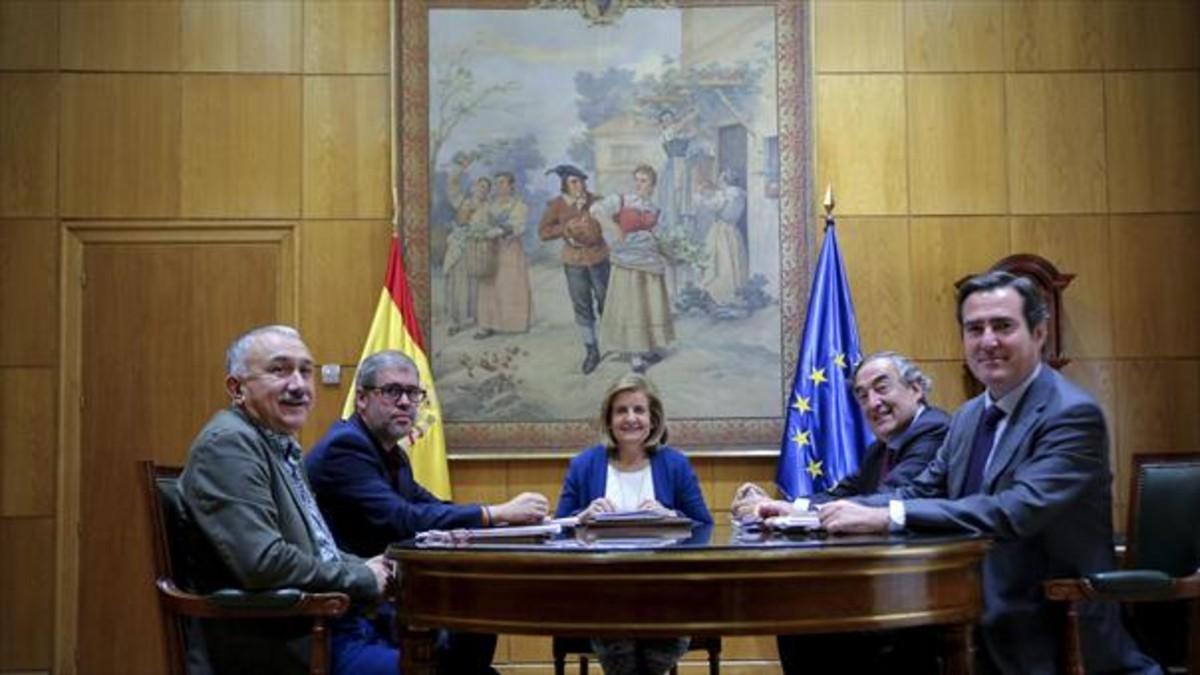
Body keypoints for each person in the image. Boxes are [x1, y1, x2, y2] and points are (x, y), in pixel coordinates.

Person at [784, 272, 1161, 675]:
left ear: (1038, 333)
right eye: (974, 329)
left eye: (1003, 326)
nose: (988, 341)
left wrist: (886, 516)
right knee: (809, 626)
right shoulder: (967, 417)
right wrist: (816, 515)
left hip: (1045, 616)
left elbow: (1014, 511)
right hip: (967, 600)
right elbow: (921, 489)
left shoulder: (1071, 414)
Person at [306, 349, 549, 674]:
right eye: (392, 391)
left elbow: (431, 506)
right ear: (361, 399)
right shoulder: (346, 447)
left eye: (413, 393)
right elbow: (402, 518)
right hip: (348, 610)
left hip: (386, 599)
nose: (406, 402)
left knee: (475, 624)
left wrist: (506, 522)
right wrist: (495, 511)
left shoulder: (392, 454)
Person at [180, 325, 397, 675]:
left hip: (329, 620)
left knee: (462, 642)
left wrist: (370, 566)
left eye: (305, 371)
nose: (298, 385)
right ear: (236, 388)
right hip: (287, 639)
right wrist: (361, 577)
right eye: (279, 370)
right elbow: (264, 562)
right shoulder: (228, 446)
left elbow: (316, 546)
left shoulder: (277, 443)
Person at [730, 351, 950, 674]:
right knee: (798, 619)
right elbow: (844, 493)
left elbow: (891, 498)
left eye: (881, 388)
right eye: (862, 396)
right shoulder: (882, 447)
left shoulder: (932, 432)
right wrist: (783, 506)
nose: (872, 403)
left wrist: (795, 510)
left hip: (922, 589)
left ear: (916, 389)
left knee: (808, 627)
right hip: (892, 581)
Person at [555, 373, 711, 675]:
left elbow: (704, 526)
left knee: (658, 645)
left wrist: (672, 517)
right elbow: (557, 530)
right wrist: (580, 518)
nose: (630, 418)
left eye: (639, 410)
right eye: (621, 410)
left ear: (653, 419)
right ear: (609, 419)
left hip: (666, 589)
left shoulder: (675, 464)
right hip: (604, 589)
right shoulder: (584, 465)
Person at [591, 164, 675, 374]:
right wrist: (613, 227)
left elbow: (658, 234)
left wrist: (672, 253)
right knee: (633, 306)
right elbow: (596, 210)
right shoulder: (623, 200)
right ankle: (635, 353)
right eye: (636, 180)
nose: (638, 184)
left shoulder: (654, 208)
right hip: (628, 261)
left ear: (652, 185)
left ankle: (648, 347)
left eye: (643, 181)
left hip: (650, 261)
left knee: (650, 305)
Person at [538, 164, 609, 374]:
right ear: (565, 185)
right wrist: (566, 228)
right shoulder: (557, 206)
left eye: (582, 181)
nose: (580, 186)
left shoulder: (596, 201)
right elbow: (543, 232)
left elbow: (612, 222)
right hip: (574, 261)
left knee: (606, 300)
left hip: (598, 257)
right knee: (582, 305)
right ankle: (591, 350)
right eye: (574, 182)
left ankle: (614, 341)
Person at [472, 171, 533, 338]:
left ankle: (513, 324)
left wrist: (499, 231)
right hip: (491, 250)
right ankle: (487, 324)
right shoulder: (489, 205)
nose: (499, 186)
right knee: (489, 285)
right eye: (497, 183)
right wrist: (481, 230)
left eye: (503, 183)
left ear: (511, 186)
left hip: (511, 250)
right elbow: (478, 220)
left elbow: (519, 226)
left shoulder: (519, 206)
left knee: (510, 284)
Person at [443, 155, 491, 336]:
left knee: (476, 284)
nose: (481, 189)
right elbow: (451, 185)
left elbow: (492, 225)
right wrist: (461, 168)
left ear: (488, 192)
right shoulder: (463, 201)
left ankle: (478, 318)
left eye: (485, 187)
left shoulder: (489, 207)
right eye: (479, 185)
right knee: (457, 282)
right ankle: (455, 321)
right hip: (459, 246)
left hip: (478, 248)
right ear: (473, 187)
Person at [693, 168, 748, 305]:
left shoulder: (726, 195)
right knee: (733, 258)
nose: (718, 182)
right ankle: (734, 290)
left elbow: (712, 206)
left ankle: (721, 293)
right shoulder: (740, 195)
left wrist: (700, 195)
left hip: (721, 231)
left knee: (719, 260)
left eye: (721, 179)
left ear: (725, 181)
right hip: (734, 231)